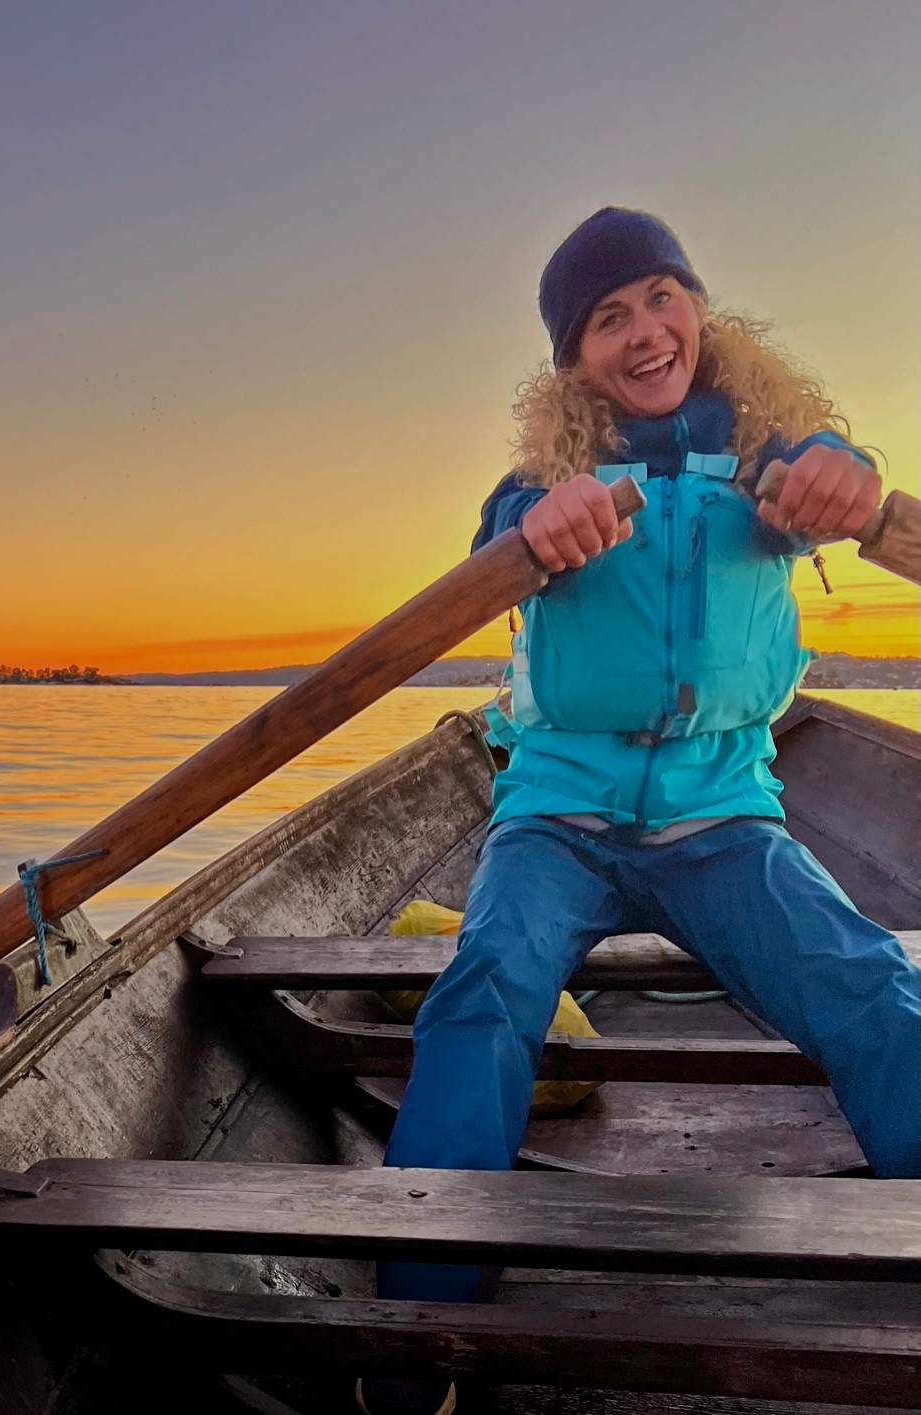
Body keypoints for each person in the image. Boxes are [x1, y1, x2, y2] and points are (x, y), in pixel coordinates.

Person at [357, 208, 921, 1415]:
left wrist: (852, 479)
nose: (643, 330)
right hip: (555, 808)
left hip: (724, 810)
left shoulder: (776, 461)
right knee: (486, 984)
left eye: (660, 297)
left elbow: (848, 486)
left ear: (699, 315)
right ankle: (416, 1326)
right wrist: (530, 526)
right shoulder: (539, 485)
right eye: (606, 318)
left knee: (871, 983)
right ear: (571, 361)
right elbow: (490, 546)